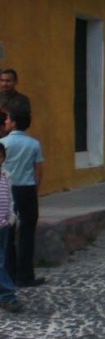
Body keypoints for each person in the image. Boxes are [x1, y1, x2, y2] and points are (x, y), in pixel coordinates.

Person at [3, 104, 45, 287]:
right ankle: (26, 276)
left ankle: (9, 274)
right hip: (27, 189)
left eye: (7, 119)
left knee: (7, 233)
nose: (5, 121)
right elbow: (38, 170)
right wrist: (35, 190)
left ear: (13, 123)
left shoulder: (4, 144)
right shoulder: (34, 144)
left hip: (7, 190)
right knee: (27, 233)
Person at [0, 143, 22, 312]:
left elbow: (10, 199)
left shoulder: (6, 176)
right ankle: (8, 295)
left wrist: (12, 217)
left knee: (2, 260)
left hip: (3, 226)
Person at [0, 69, 31, 138]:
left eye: (8, 81)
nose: (4, 84)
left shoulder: (22, 100)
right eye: (2, 80)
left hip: (14, 136)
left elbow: (24, 121)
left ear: (15, 82)